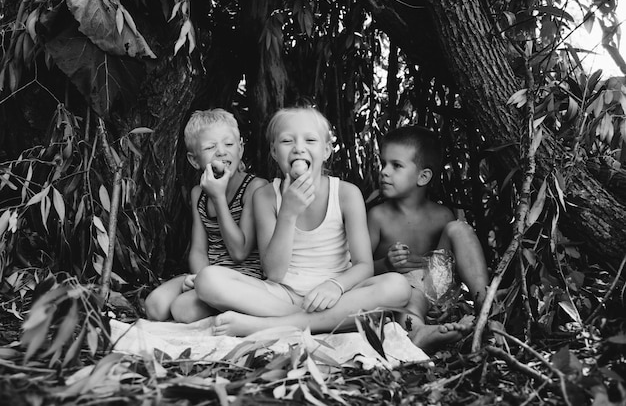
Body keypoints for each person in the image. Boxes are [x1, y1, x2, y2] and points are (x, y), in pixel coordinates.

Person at [194, 107, 412, 336]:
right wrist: (288, 212)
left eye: (310, 140)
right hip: (282, 295)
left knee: (397, 286)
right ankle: (320, 321)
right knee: (208, 280)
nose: (299, 148)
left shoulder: (346, 194)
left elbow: (364, 266)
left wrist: (335, 286)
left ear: (326, 150)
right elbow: (274, 273)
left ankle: (270, 326)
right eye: (287, 141)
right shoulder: (266, 196)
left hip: (338, 294)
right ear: (274, 151)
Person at [367, 125, 489, 351]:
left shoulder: (441, 215)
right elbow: (359, 268)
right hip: (400, 292)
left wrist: (424, 264)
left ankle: (486, 304)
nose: (384, 171)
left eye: (396, 166)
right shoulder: (377, 217)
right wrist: (386, 264)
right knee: (410, 294)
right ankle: (418, 332)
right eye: (383, 163)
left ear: (423, 177)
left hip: (437, 290)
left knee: (459, 229)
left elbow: (446, 265)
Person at [144, 109, 267, 323]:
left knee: (183, 310)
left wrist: (218, 199)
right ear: (194, 160)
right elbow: (199, 249)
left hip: (245, 279)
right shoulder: (198, 194)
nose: (221, 152)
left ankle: (236, 306)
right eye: (210, 147)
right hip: (210, 275)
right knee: (154, 306)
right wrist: (200, 278)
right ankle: (212, 297)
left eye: (228, 144)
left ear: (241, 147)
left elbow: (239, 251)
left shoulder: (255, 188)